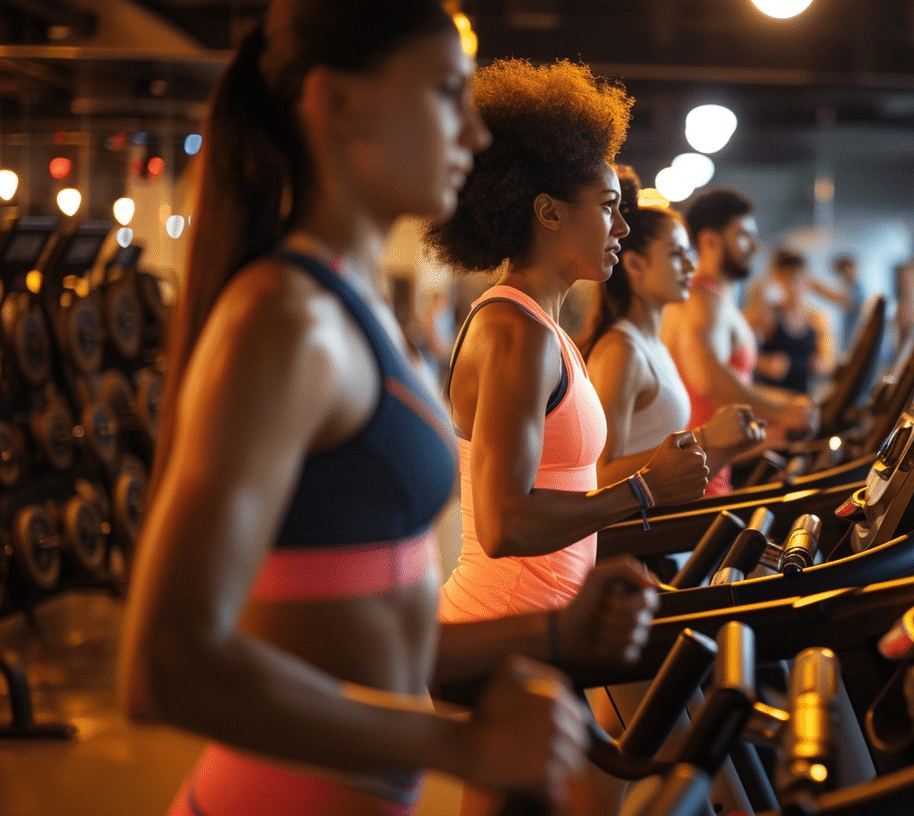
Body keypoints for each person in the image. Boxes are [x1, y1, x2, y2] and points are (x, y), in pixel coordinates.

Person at [118, 5, 657, 815]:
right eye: (444, 93)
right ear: (337, 103)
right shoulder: (286, 319)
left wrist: (551, 634)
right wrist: (457, 746)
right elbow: (165, 667)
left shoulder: (356, 308)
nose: (473, 134)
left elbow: (368, 638)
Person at [424, 58, 711, 812]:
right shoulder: (514, 331)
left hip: (550, 622)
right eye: (609, 206)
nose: (623, 226)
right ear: (549, 212)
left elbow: (563, 482)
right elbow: (506, 521)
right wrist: (643, 490)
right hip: (507, 630)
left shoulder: (547, 328)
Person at [582, 166, 765, 488]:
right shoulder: (621, 351)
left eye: (688, 253)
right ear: (636, 264)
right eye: (675, 255)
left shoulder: (651, 343)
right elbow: (600, 474)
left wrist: (726, 446)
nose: (691, 265)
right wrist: (705, 438)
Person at [661, 187, 817, 495]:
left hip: (717, 470)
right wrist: (780, 412)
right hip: (703, 485)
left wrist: (786, 403)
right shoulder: (703, 302)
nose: (754, 246)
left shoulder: (715, 299)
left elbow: (734, 382)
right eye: (743, 236)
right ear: (710, 241)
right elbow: (709, 380)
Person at [747, 247, 837, 395]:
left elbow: (829, 365)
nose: (794, 286)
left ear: (806, 280)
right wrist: (764, 364)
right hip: (770, 398)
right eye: (789, 279)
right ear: (779, 280)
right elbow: (738, 349)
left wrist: (820, 366)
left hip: (801, 399)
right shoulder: (769, 315)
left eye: (798, 278)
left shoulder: (817, 318)